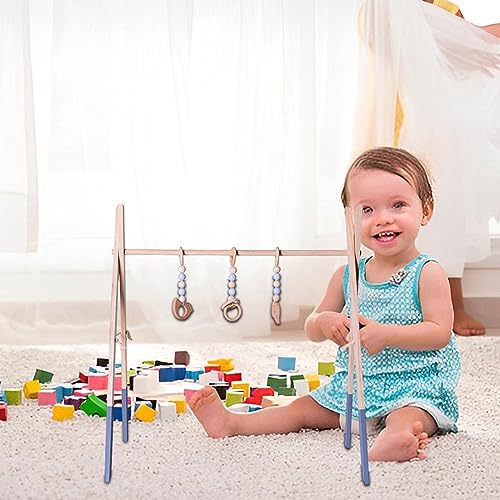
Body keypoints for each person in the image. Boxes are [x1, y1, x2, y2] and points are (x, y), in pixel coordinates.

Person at [189, 146, 461, 463]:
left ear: (425, 211)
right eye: (367, 210)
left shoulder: (426, 273)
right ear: (350, 218)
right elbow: (313, 326)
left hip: (414, 385)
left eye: (398, 205)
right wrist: (324, 321)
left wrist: (388, 334)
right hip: (353, 387)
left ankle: (395, 438)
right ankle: (232, 423)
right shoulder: (348, 275)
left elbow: (439, 332)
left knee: (409, 416)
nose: (382, 219)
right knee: (300, 410)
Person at [354, 0, 500, 337]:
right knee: (399, 218)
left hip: (445, 132)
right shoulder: (381, 9)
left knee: (445, 218)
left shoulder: (447, 8)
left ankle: (451, 304)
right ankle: (392, 303)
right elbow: (409, 49)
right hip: (403, 128)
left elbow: (469, 55)